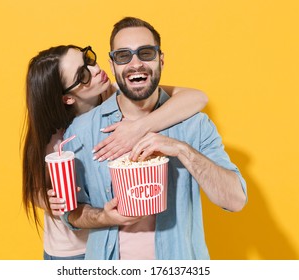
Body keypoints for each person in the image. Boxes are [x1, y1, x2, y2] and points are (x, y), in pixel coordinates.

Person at [58, 17, 247, 260]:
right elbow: (72, 214)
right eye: (124, 56)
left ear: (161, 59)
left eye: (145, 53)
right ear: (113, 64)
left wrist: (181, 149)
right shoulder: (84, 129)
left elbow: (235, 200)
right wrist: (104, 217)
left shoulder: (194, 126)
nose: (135, 64)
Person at [22, 43, 208, 259]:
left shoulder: (114, 94)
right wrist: (47, 200)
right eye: (82, 75)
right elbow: (34, 188)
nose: (95, 70)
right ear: (67, 98)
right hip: (74, 248)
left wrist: (139, 127)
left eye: (88, 59)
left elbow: (197, 98)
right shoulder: (51, 138)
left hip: (112, 243)